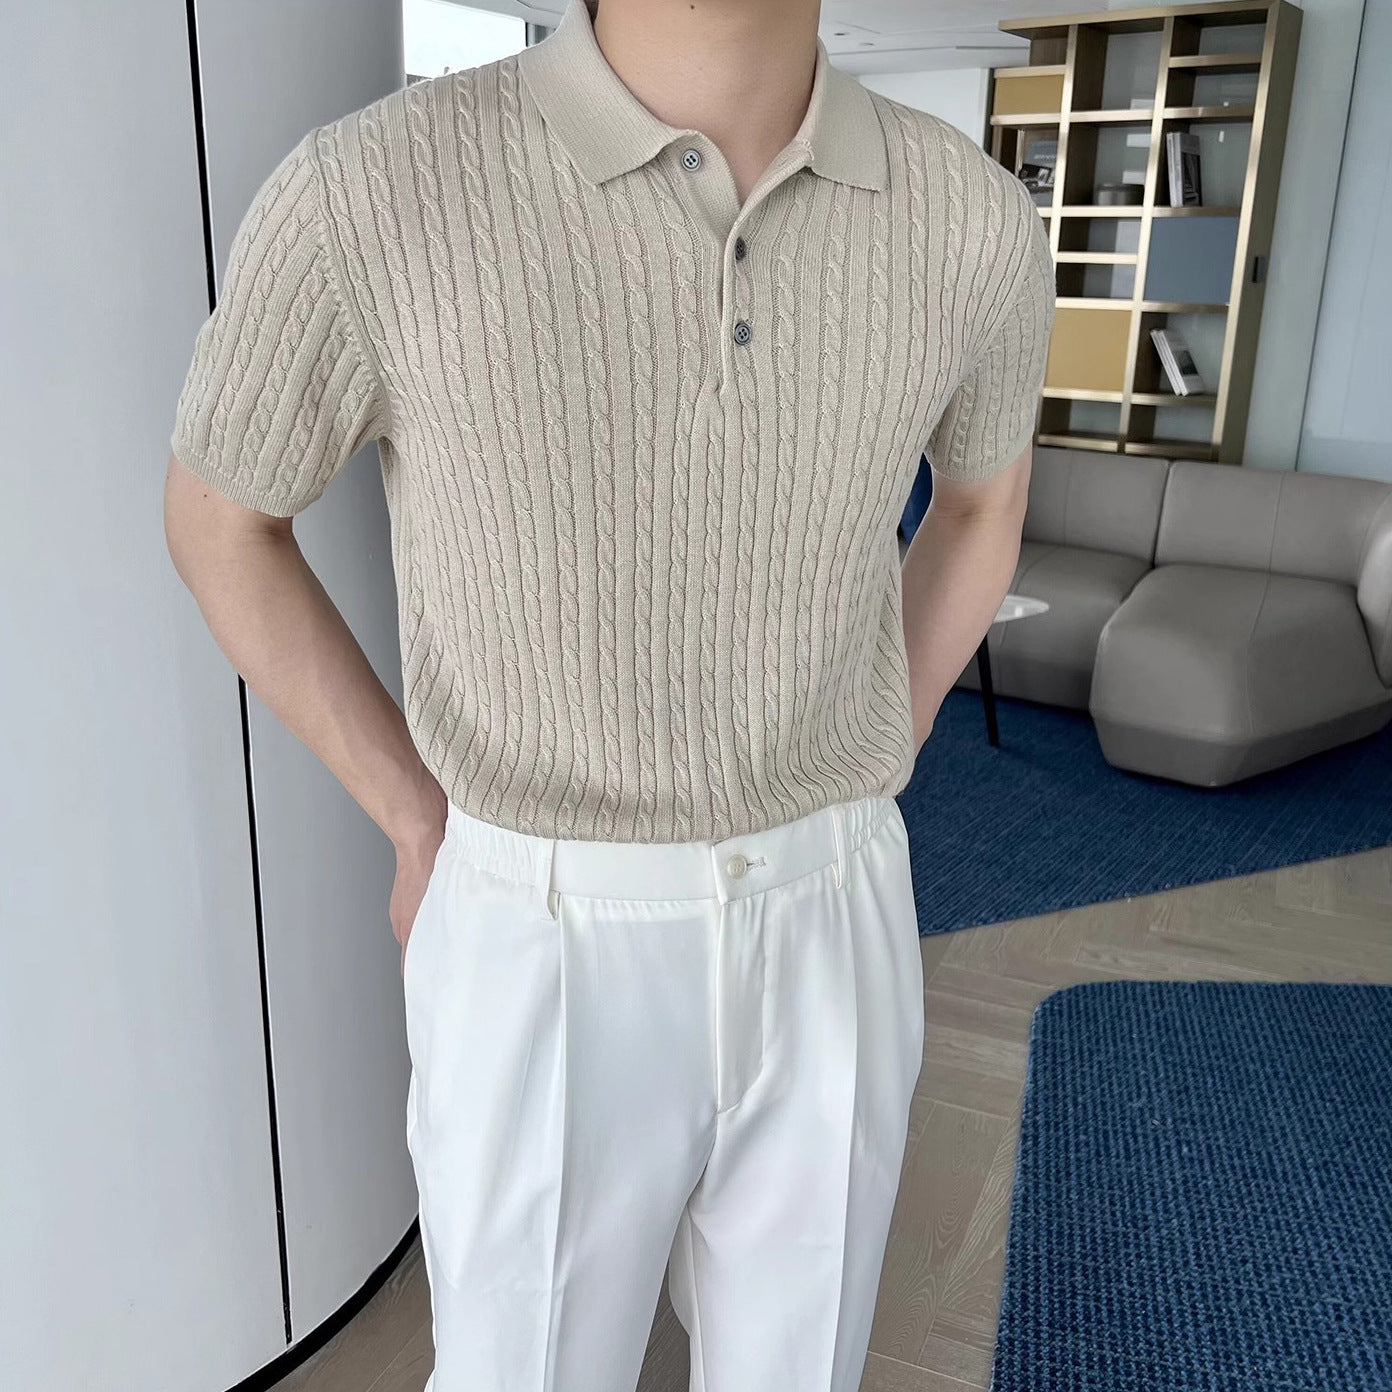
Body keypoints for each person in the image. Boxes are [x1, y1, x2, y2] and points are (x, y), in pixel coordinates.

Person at [163, 0, 1054, 1387]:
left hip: (835, 912)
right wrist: (412, 814)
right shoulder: (372, 187)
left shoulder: (974, 217)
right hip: (539, 926)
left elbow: (984, 501)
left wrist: (885, 741)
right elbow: (223, 517)